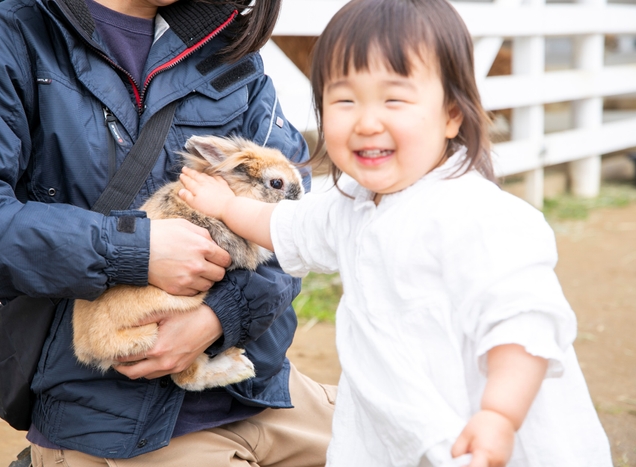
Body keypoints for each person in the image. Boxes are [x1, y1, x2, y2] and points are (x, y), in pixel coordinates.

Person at [176, 0, 614, 466]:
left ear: (452, 114)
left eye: (395, 99)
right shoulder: (351, 210)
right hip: (396, 433)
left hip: (482, 436)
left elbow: (522, 325)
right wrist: (225, 204)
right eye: (344, 100)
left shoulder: (483, 218)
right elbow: (282, 226)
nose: (366, 122)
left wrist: (499, 415)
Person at [0, 0, 335, 465]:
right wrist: (134, 249)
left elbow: (294, 223)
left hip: (259, 387)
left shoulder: (227, 43)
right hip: (114, 418)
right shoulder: (8, 36)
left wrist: (220, 317)